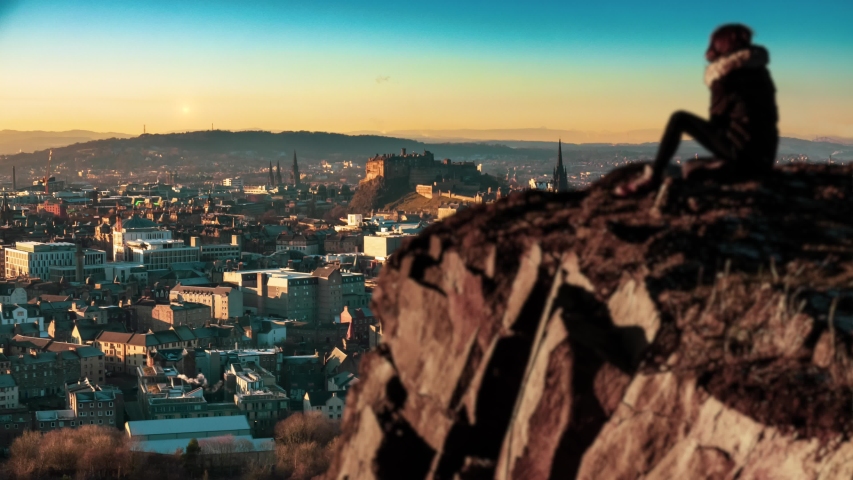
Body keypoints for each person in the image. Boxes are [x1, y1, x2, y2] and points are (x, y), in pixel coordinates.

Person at [615, 24, 778, 196]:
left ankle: (653, 178)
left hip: (741, 154)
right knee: (693, 167)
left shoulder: (727, 77)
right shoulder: (761, 73)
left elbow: (717, 121)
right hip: (763, 158)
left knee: (680, 119)